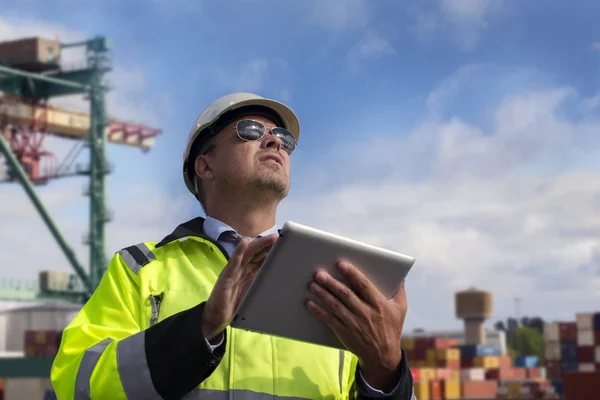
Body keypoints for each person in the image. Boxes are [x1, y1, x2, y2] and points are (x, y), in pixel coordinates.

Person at [50, 92, 415, 400]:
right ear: (205, 166)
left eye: (283, 139)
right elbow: (73, 383)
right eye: (251, 131)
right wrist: (199, 329)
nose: (275, 141)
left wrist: (387, 372)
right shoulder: (139, 268)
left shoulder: (334, 282)